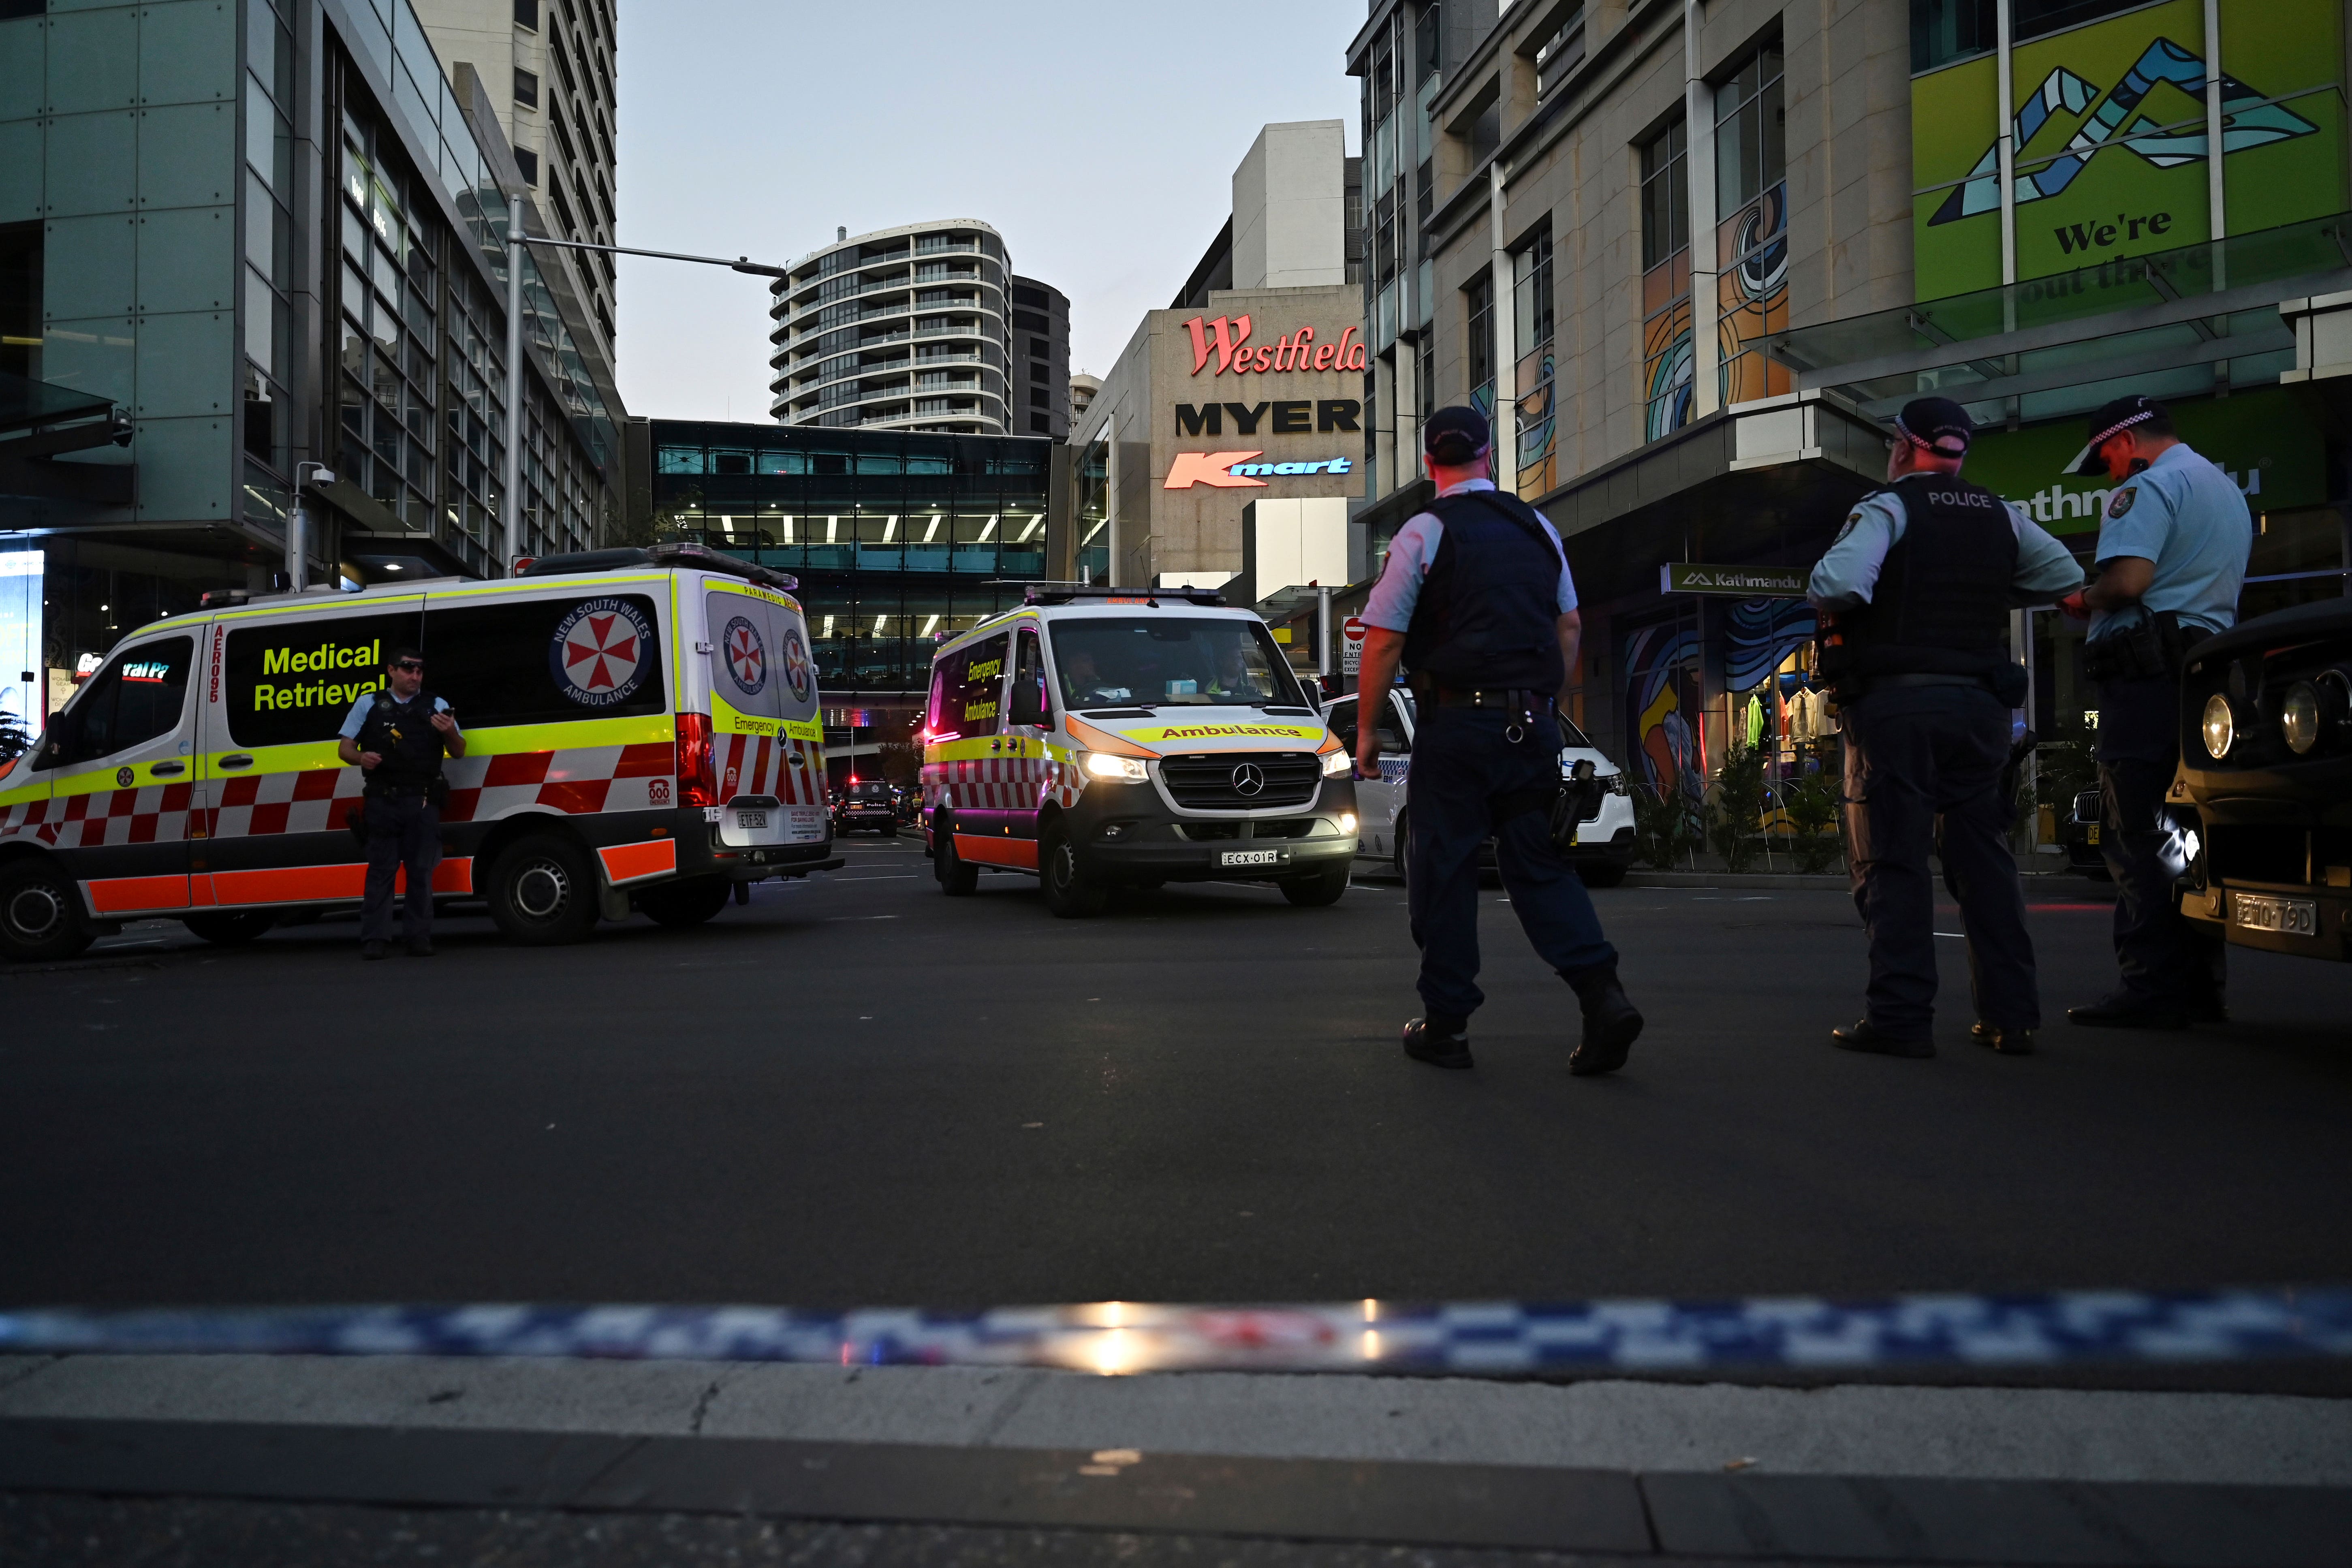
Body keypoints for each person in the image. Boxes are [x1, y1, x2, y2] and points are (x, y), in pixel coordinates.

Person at [1354, 406, 1641, 1076]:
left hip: (1455, 726)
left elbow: (1386, 638)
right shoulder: (1536, 527)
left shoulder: (1424, 532)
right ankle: (1603, 996)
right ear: (1490, 455)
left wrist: (1367, 729)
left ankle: (1447, 1027)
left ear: (1429, 464)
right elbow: (1568, 625)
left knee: (1446, 867)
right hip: (1531, 724)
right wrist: (1542, 699)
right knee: (1538, 865)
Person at [1808, 396, 2084, 1057]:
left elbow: (1839, 584)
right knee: (1984, 864)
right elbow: (2068, 580)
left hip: (1898, 710)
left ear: (1902, 447)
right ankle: (2011, 1016)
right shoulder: (2002, 516)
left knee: (1894, 860)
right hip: (1980, 712)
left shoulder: (1890, 508)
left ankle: (1901, 1018)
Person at [2054, 395, 2249, 1030]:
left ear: (2125, 441)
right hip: (2205, 681)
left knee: (2135, 830)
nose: (2110, 474)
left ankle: (2149, 986)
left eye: (2106, 459)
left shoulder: (2146, 489)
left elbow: (2130, 581)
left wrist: (2086, 596)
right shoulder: (2222, 488)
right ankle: (2200, 988)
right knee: (2187, 838)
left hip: (2145, 683)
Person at [336, 646, 464, 959]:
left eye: (419, 671)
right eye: (408, 669)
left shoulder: (436, 704)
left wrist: (449, 733)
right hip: (383, 801)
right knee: (381, 871)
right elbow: (345, 749)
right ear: (391, 671)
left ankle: (418, 937)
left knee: (421, 872)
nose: (415, 676)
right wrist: (361, 758)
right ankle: (375, 939)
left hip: (421, 801)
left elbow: (459, 750)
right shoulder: (369, 703)